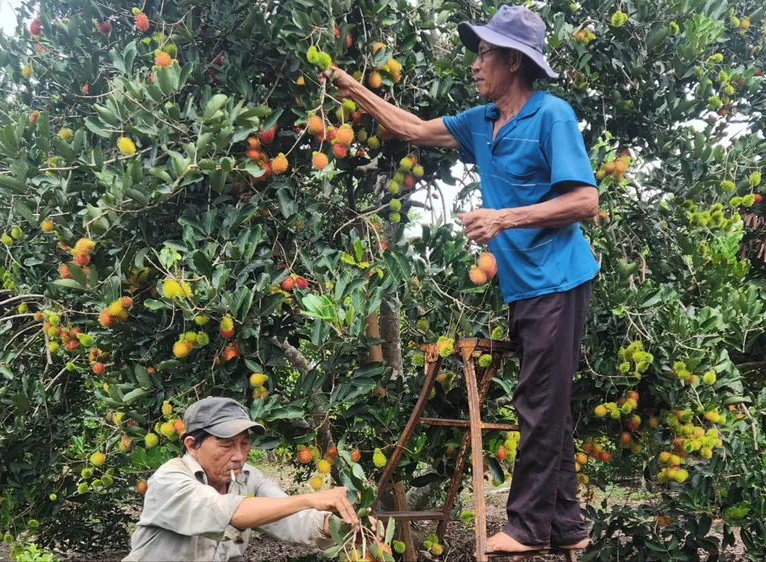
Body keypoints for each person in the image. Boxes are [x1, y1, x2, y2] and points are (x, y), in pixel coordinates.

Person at [321, 4, 599, 558]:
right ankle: (566, 523)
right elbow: (409, 128)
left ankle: (527, 527)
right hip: (524, 287)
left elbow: (585, 200)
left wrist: (503, 218)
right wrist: (351, 87)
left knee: (538, 401)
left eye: (484, 53)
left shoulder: (552, 115)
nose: (475, 63)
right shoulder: (480, 122)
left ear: (514, 62)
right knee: (549, 402)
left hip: (559, 280)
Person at [123, 397, 362, 561]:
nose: (239, 455)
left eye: (245, 444)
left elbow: (291, 517)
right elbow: (224, 511)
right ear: (193, 445)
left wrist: (340, 524)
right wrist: (310, 499)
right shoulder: (170, 479)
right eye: (227, 445)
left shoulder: (248, 477)